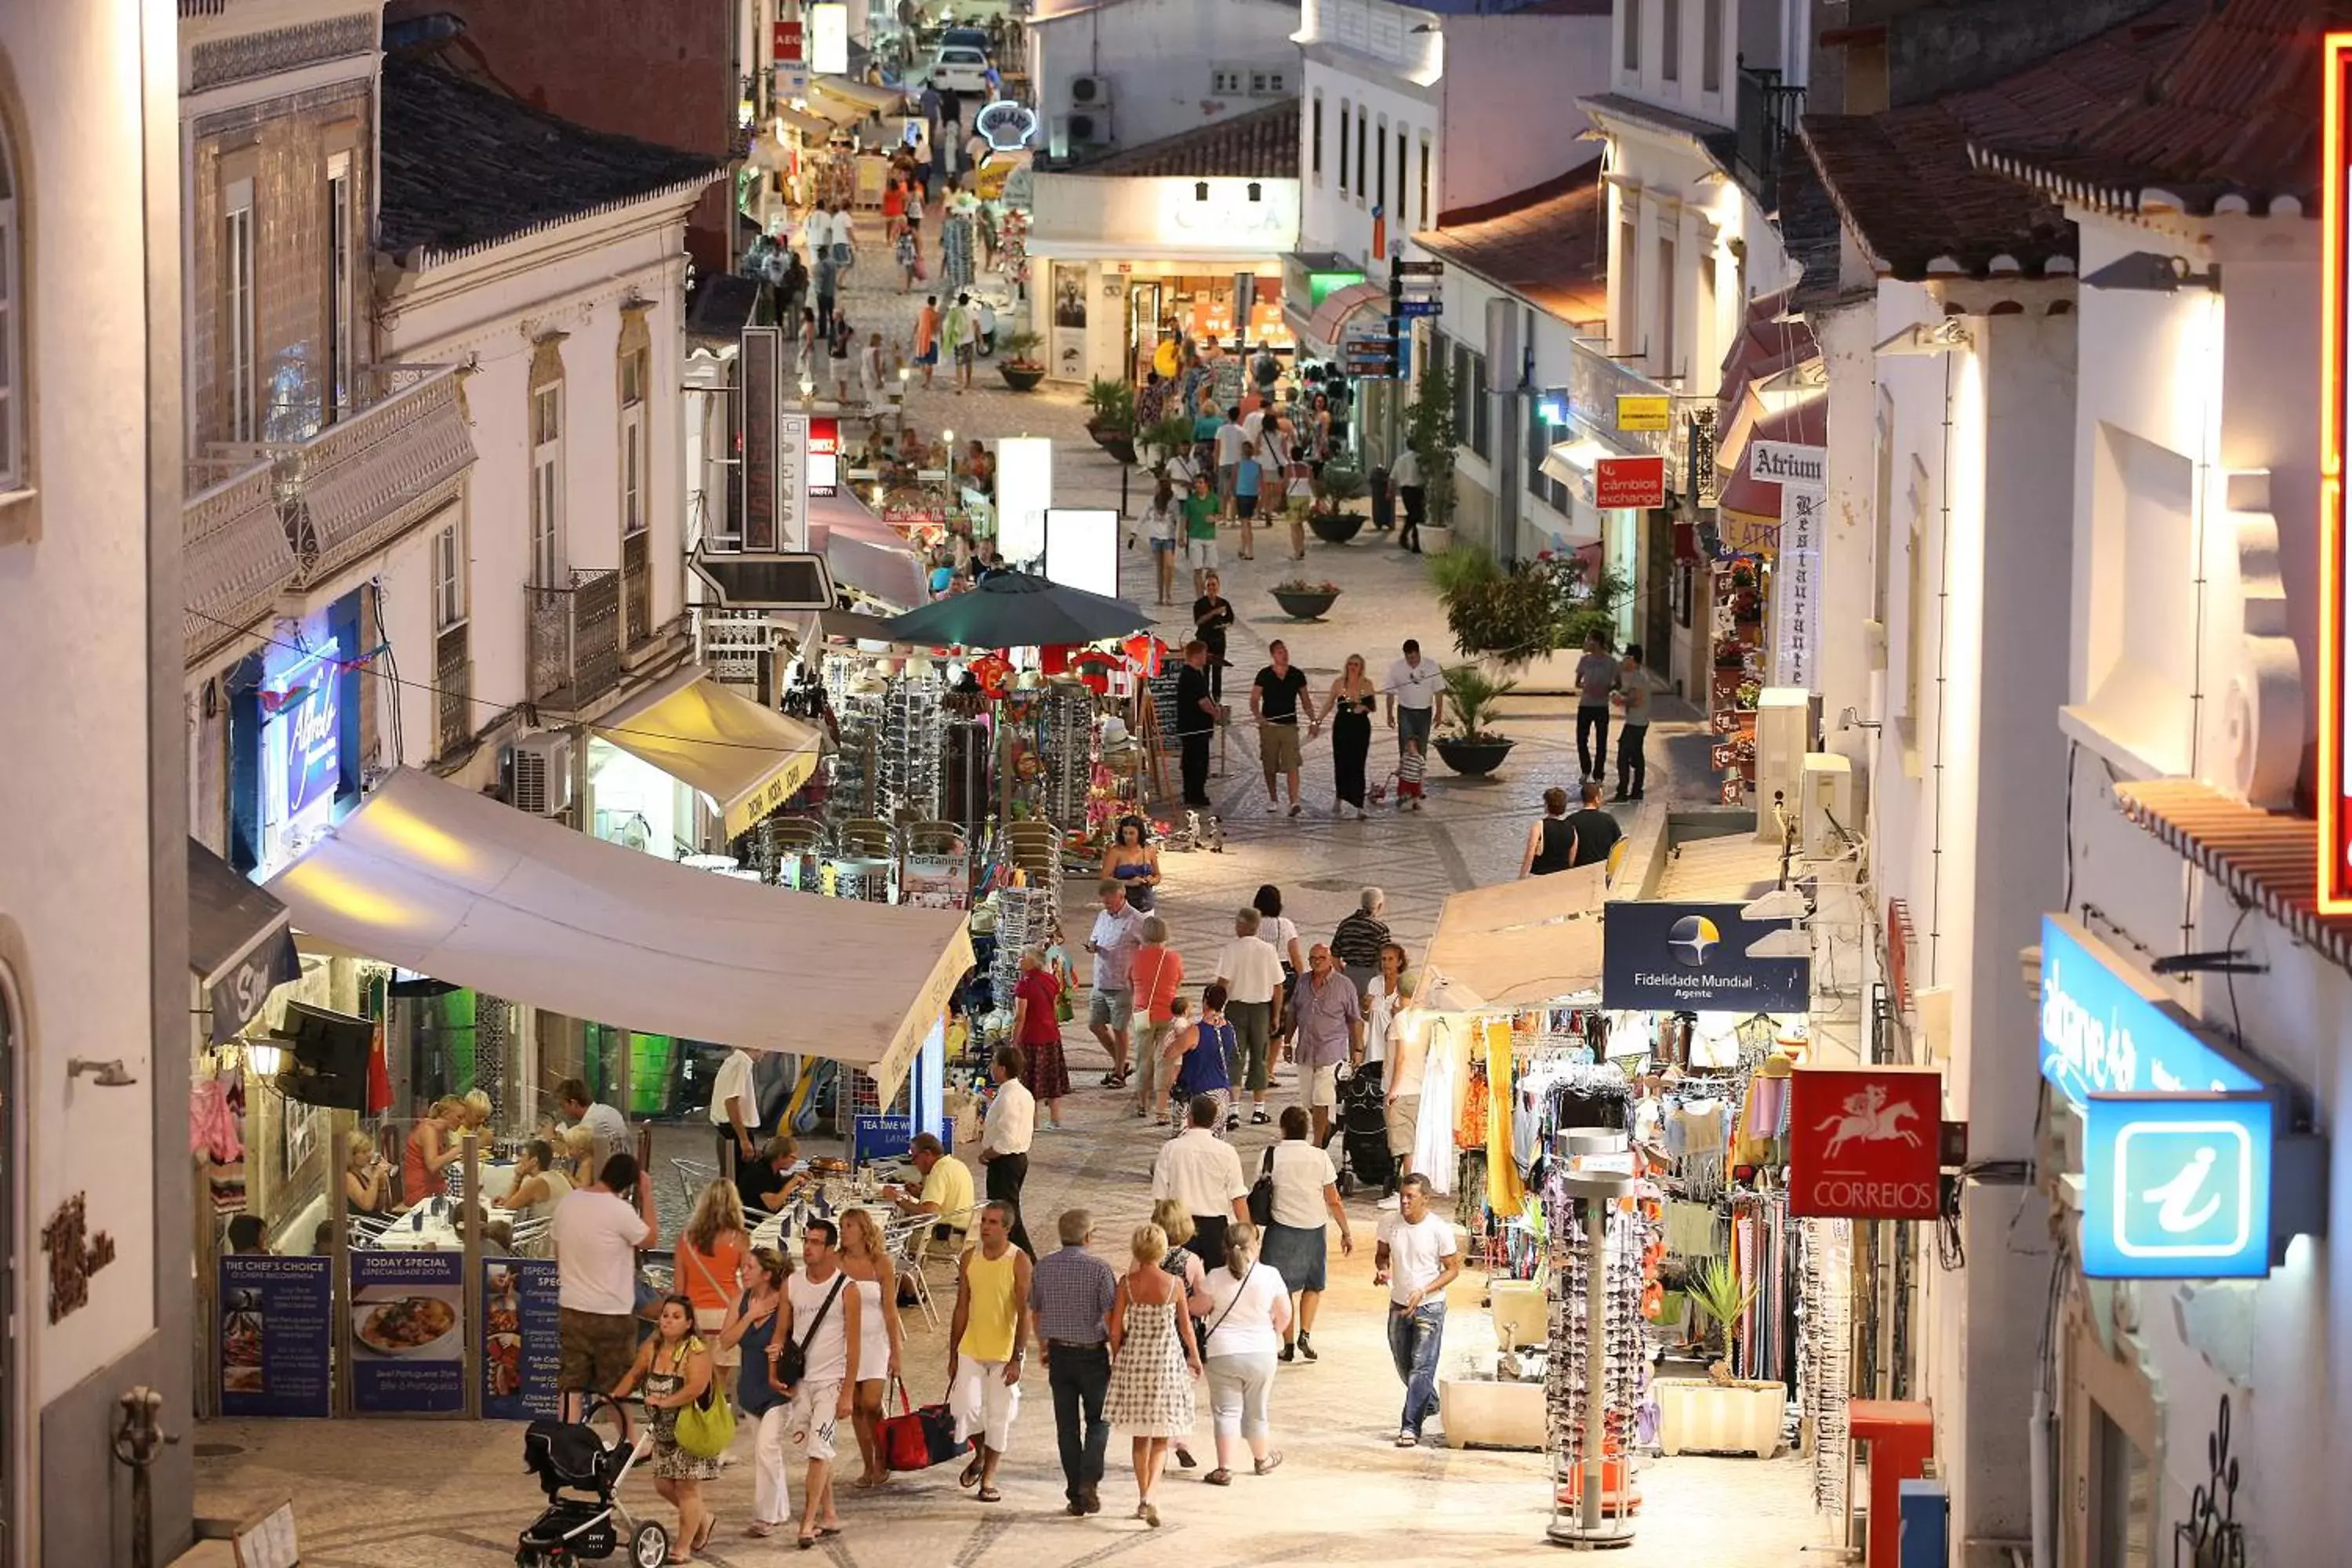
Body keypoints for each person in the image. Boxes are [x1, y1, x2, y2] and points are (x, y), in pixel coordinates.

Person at [1103, 1222, 1202, 1528]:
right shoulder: (1173, 1284)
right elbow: (1186, 1328)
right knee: (1161, 1437)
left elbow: (1116, 1326)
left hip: (1136, 1360)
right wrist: (1195, 1356)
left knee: (1139, 1436)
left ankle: (1142, 1494)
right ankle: (1150, 1496)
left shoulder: (1127, 1284)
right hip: (1166, 1362)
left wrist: (1118, 1354)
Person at [771, 1218, 860, 1549]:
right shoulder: (792, 1284)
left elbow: (854, 1347)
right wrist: (773, 1372)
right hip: (801, 1381)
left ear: (830, 1248)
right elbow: (781, 1333)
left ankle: (807, 1523)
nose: (807, 1247)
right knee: (817, 1450)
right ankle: (829, 1512)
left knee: (818, 1451)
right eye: (806, 1240)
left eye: (815, 1242)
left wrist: (848, 1392)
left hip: (831, 1382)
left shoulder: (847, 1290)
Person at [613, 1296, 719, 1556]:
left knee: (686, 1488)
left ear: (688, 1323)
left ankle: (682, 1548)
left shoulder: (696, 1351)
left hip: (691, 1429)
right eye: (665, 1315)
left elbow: (696, 1388)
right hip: (663, 1430)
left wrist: (665, 1401)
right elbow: (635, 1374)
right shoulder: (652, 1348)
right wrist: (614, 1397)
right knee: (662, 1484)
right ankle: (703, 1519)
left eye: (676, 1316)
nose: (668, 1321)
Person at [1031, 1209, 1118, 1517]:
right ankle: (1089, 1481)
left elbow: (1037, 1311)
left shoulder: (1043, 1267)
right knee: (1099, 1420)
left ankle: (1075, 1494)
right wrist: (1117, 1347)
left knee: (1067, 1427)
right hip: (1092, 1354)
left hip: (1059, 1355)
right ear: (1088, 1236)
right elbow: (1110, 1315)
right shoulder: (1100, 1269)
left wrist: (1043, 1346)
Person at [555, 1153, 652, 1422]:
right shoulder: (620, 1210)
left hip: (572, 1308)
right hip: (612, 1312)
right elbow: (651, 1239)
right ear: (628, 1184)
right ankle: (629, 1443)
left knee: (570, 1383)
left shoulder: (569, 1202)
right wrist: (647, 1192)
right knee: (615, 1387)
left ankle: (566, 1440)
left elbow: (557, 1254)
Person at [948, 1203, 1033, 1503]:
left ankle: (990, 1477)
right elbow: (961, 1305)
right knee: (964, 1409)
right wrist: (953, 1352)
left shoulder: (1019, 1261)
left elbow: (1024, 1312)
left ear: (1007, 1228)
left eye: (993, 1222)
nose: (985, 1227)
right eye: (984, 1221)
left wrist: (1017, 1357)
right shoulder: (969, 1257)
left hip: (1003, 1351)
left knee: (998, 1416)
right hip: (971, 1346)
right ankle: (980, 1453)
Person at [1199, 1222, 1293, 1483]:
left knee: (1226, 1411)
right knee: (1256, 1409)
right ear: (1256, 1245)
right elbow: (1285, 1313)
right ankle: (1262, 1460)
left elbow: (1200, 1308)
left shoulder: (1215, 1276)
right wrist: (1271, 1333)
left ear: (1225, 1248)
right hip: (1261, 1352)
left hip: (1222, 1352)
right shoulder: (1270, 1275)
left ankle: (1224, 1468)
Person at [1376, 1174, 1461, 1446]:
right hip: (1399, 1304)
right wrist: (1382, 1270)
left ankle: (1410, 1426)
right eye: (1402, 1195)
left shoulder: (1438, 1230)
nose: (1404, 1201)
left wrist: (1425, 1290)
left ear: (1425, 1198)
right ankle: (1429, 1402)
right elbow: (1382, 1253)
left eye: (1410, 1197)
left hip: (1429, 1307)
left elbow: (1452, 1269)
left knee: (1421, 1369)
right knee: (1403, 1364)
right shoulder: (1389, 1223)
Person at [1261, 1107, 1351, 1363]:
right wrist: (1346, 1232)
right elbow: (1333, 1199)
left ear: (1283, 1128)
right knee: (1313, 1284)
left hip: (1280, 1228)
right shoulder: (1319, 1157)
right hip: (1314, 1228)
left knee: (1282, 1288)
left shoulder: (1271, 1156)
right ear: (1307, 1129)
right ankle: (1306, 1334)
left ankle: (1287, 1344)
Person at [719, 1246, 792, 1537]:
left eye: (750, 1267)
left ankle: (765, 1517)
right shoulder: (741, 1300)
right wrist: (750, 1317)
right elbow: (725, 1342)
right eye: (743, 1267)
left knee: (766, 1449)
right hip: (749, 1390)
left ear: (767, 1273)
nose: (743, 1272)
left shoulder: (786, 1302)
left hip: (778, 1390)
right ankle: (781, 1509)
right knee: (768, 1454)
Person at [835, 1208, 905, 1489]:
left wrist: (896, 1352)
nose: (843, 1231)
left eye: (849, 1226)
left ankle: (883, 1456)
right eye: (841, 1226)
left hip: (876, 1341)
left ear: (863, 1230)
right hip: (846, 1342)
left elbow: (890, 1311)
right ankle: (868, 1463)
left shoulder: (881, 1263)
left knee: (872, 1403)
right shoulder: (836, 1262)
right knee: (856, 1407)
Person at [1150, 1094, 1250, 1265]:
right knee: (1217, 1280)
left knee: (1181, 1280)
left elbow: (1160, 1197)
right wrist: (1249, 1234)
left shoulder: (1171, 1149)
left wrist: (1160, 1231)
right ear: (1213, 1120)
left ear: (1190, 1117)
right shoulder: (1227, 1152)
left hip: (1179, 1224)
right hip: (1215, 1227)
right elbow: (1237, 1197)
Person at [1212, 912, 1283, 1128]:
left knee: (1235, 1057)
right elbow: (1278, 985)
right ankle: (1258, 1110)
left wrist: (1216, 1010)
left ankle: (1233, 1111)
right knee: (1260, 1057)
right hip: (1261, 1009)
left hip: (1235, 1008)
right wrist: (1276, 1015)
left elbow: (1222, 983)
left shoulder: (1231, 949)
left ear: (1242, 925)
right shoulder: (1268, 950)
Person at [1289, 944, 1363, 1148]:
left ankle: (1318, 1144)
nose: (1317, 962)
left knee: (1322, 1099)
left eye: (1321, 958)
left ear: (1330, 959)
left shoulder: (1344, 985)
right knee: (1309, 1102)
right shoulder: (1303, 982)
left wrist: (1358, 1049)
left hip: (1331, 1052)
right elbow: (1293, 1012)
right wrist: (1287, 1042)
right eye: (1313, 958)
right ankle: (1327, 1129)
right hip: (1305, 1050)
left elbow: (1354, 1019)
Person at [677, 1181, 752, 1379]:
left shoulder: (685, 1238)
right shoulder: (740, 1238)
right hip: (726, 1316)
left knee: (693, 1383)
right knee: (717, 1386)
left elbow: (678, 1288)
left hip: (694, 1317)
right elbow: (748, 1282)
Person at [1084, 879, 1146, 1089]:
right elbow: (1095, 937)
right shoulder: (1103, 916)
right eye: (1105, 904)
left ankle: (1119, 1072)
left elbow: (1150, 949)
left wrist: (1138, 976)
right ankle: (1121, 1063)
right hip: (1100, 980)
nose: (1107, 907)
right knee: (1095, 1025)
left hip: (1122, 985)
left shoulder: (1137, 920)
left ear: (1122, 897)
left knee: (1120, 1029)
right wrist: (1092, 946)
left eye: (1110, 903)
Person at [977, 1045, 1036, 1255]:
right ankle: (1003, 1255)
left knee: (1006, 1215)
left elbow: (1007, 1138)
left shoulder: (1008, 1097)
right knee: (1005, 1212)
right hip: (1015, 1160)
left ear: (1002, 1068)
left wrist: (988, 1153)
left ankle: (1027, 1259)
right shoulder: (1023, 1093)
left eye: (994, 1063)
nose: (991, 1067)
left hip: (1006, 1162)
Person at [1125, 917, 1183, 1120]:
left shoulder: (1136, 957)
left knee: (1143, 1059)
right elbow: (1178, 982)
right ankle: (1161, 1109)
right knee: (1165, 1060)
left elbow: (1129, 981)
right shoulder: (1173, 958)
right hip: (1167, 1013)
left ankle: (1142, 1103)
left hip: (1143, 1014)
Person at [1251, 640, 1316, 817]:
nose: (1284, 654)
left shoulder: (1296, 675)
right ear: (1273, 655)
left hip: (1289, 726)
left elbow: (1306, 700)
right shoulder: (1264, 674)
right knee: (1269, 764)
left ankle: (1294, 801)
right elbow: (1254, 699)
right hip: (1269, 727)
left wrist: (1313, 721)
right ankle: (1273, 799)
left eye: (1285, 651)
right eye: (1280, 652)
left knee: (1292, 763)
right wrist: (1259, 717)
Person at [1009, 946, 1069, 1128]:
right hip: (1051, 1035)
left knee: (1030, 1083)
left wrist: (1014, 1040)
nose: (1019, 960)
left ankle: (1032, 1123)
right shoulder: (1050, 980)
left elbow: (1020, 1017)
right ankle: (1055, 1119)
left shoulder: (1024, 986)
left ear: (1031, 961)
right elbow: (1053, 1008)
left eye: (1022, 957)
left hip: (1031, 1039)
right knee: (1052, 1079)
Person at [1254, 883, 1308, 1081]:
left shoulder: (1253, 924)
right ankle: (1269, 1071)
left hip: (1258, 976)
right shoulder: (1285, 925)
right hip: (1283, 977)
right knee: (1277, 1029)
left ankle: (1257, 1069)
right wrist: (1304, 981)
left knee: (1259, 1023)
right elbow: (1296, 957)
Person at [887, 1133, 975, 1255]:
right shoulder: (956, 1165)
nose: (915, 1163)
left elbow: (928, 1213)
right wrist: (920, 1194)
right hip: (962, 1235)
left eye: (915, 1158)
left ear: (927, 1154)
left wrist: (897, 1199)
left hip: (945, 1239)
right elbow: (943, 1201)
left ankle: (895, 1273)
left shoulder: (939, 1172)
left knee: (888, 1240)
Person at [1172, 985, 1236, 1128]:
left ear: (1205, 1002)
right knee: (1216, 1142)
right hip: (1221, 1092)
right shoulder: (1229, 1028)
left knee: (1187, 1142)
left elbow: (1171, 1053)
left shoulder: (1195, 1031)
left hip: (1197, 1094)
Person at [492, 1138, 573, 1239]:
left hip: (548, 1241)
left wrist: (518, 1177)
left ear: (534, 1161)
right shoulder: (557, 1176)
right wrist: (505, 1201)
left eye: (523, 1156)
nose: (519, 1160)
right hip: (563, 1234)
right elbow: (511, 1202)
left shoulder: (536, 1183)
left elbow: (508, 1208)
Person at [1327, 654, 1377, 818]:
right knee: (1341, 762)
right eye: (1350, 664)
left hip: (1360, 727)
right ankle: (1339, 797)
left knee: (1358, 763)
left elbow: (1373, 707)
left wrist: (1363, 707)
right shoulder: (1339, 683)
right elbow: (1329, 702)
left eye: (1356, 664)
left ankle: (1359, 805)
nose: (1353, 667)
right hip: (1342, 726)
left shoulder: (1367, 684)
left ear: (1361, 667)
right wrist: (1317, 720)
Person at [1174, 640, 1218, 809]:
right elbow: (1202, 701)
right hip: (1195, 728)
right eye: (1205, 653)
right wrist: (1216, 713)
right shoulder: (1191, 676)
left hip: (1194, 727)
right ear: (1197, 655)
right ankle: (1195, 794)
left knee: (1192, 760)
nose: (1206, 657)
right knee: (1197, 762)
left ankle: (1192, 793)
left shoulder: (1193, 674)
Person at [1385, 639, 1445, 758]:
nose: (1411, 661)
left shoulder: (1431, 666)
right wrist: (1389, 714)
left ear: (1419, 653)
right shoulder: (1397, 668)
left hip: (1425, 711)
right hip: (1405, 711)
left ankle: (1419, 775)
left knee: (1421, 747)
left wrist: (1438, 713)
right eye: (1408, 658)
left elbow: (1438, 691)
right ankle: (1405, 775)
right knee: (1406, 747)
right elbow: (1390, 693)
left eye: (1414, 658)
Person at [556, 1078, 630, 1175]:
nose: (562, 1111)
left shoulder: (590, 1125)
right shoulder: (607, 1110)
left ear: (574, 1104)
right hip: (625, 1169)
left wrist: (553, 1139)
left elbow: (572, 1157)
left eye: (563, 1106)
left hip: (610, 1178)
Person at [1573, 633, 1620, 782]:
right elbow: (1577, 682)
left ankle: (1599, 774)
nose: (1586, 642)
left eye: (1589, 639)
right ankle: (1585, 770)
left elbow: (1618, 683)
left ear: (1597, 642)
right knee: (1581, 739)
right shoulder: (1584, 660)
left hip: (1601, 706)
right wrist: (1586, 687)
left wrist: (1606, 689)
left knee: (1601, 741)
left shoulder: (1611, 662)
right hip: (1585, 705)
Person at [403, 1095, 465, 1204]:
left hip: (434, 1186)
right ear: (446, 1114)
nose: (462, 1122)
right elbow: (433, 1165)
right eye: (459, 1117)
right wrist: (459, 1149)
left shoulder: (442, 1132)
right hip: (421, 1191)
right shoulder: (429, 1130)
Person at [1363, 942, 1411, 1075]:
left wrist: (1399, 1016)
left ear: (1400, 962)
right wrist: (1365, 1008)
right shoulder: (1374, 982)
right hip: (1374, 1051)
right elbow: (1367, 1018)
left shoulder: (1405, 986)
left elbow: (1411, 1022)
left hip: (1394, 1050)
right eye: (1383, 959)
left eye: (1391, 959)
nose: (1386, 963)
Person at [710, 1046, 761, 1167]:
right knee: (737, 1180)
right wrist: (744, 1140)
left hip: (729, 1130)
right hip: (734, 1131)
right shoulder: (742, 1062)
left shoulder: (732, 1061)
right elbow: (731, 1101)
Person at [736, 1134, 811, 1217]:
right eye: (792, 1157)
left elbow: (775, 1185)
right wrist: (792, 1182)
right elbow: (774, 1205)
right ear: (780, 1156)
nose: (795, 1161)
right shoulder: (759, 1174)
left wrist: (793, 1177)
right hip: (756, 1222)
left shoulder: (771, 1168)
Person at [1330, 885, 1390, 989]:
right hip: (1372, 977)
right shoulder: (1380, 929)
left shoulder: (1346, 924)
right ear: (1380, 906)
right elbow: (1387, 958)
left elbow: (1334, 955)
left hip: (1349, 975)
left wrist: (1343, 974)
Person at [1134, 478, 1181, 605]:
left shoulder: (1173, 501)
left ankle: (1169, 594)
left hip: (1168, 538)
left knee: (1169, 566)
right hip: (1155, 537)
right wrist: (1134, 531)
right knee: (1160, 568)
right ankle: (1160, 596)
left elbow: (1179, 518)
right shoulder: (1152, 501)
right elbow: (1143, 516)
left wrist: (1182, 534)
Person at [1613, 642, 1651, 801]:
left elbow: (1637, 701)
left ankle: (1623, 792)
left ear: (1633, 659)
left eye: (1626, 657)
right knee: (1636, 756)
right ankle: (1636, 790)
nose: (1624, 660)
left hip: (1636, 723)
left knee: (1624, 757)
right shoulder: (1638, 676)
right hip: (1638, 722)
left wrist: (1620, 701)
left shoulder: (1639, 677)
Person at [1101, 815, 1161, 914]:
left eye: (1132, 833)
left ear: (1139, 833)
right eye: (1125, 833)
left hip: (1146, 904)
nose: (1128, 837)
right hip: (1122, 905)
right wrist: (1128, 882)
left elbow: (1158, 875)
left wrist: (1152, 880)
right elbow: (1105, 877)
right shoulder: (1115, 852)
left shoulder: (1149, 851)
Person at [1192, 573, 1236, 700]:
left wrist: (1225, 625)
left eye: (1214, 585)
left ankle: (1217, 699)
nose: (1212, 587)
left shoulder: (1224, 603)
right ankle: (1205, 698)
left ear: (1218, 586)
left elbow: (1230, 620)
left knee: (1217, 671)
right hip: (1204, 641)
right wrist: (1213, 613)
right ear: (1205, 588)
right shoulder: (1200, 604)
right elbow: (1198, 621)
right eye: (1209, 585)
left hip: (1219, 641)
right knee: (1204, 671)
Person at [1566, 778, 1624, 870]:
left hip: (1579, 868)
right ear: (1596, 798)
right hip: (1603, 867)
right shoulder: (1608, 819)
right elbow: (1618, 844)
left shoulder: (1571, 820)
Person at [1522, 786, 1576, 877]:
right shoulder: (1571, 828)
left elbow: (1530, 854)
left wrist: (1522, 875)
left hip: (1540, 874)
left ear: (1547, 805)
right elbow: (1572, 858)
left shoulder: (1539, 826)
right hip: (1562, 875)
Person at [1182, 474, 1219, 596]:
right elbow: (1185, 518)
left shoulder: (1214, 499)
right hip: (1195, 537)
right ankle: (1200, 598)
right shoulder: (1191, 501)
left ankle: (1211, 593)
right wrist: (1181, 535)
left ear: (1206, 484)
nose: (1197, 485)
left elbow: (1220, 513)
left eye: (1200, 483)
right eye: (1196, 483)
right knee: (1197, 569)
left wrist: (1214, 518)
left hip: (1210, 537)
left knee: (1212, 569)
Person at [343, 1130, 391, 1217]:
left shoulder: (362, 1175)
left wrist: (382, 1183)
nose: (369, 1155)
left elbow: (378, 1207)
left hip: (373, 1221)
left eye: (369, 1151)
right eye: (364, 1152)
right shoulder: (348, 1177)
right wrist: (375, 1176)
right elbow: (367, 1205)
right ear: (351, 1155)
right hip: (362, 1226)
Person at [1213, 405, 1247, 516]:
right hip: (1237, 463)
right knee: (1235, 491)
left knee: (1223, 492)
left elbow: (1217, 449)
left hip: (1223, 462)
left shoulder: (1221, 430)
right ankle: (1233, 516)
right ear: (1238, 416)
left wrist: (1215, 464)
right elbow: (1245, 449)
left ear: (1228, 415)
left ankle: (1223, 515)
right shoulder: (1242, 431)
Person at [1392, 442, 1425, 552]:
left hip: (1405, 491)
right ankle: (1412, 541)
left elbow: (1392, 477)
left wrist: (1389, 491)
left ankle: (1407, 538)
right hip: (1417, 490)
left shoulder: (1400, 459)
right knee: (1418, 516)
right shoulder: (1420, 458)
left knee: (1414, 515)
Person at [946, 292, 977, 392]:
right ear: (967, 301)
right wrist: (980, 339)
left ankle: (959, 384)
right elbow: (977, 325)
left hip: (959, 341)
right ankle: (968, 382)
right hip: (969, 340)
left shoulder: (955, 311)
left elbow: (950, 326)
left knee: (959, 364)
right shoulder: (972, 311)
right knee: (969, 362)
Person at [1234, 439, 1263, 537]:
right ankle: (1242, 547)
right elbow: (1260, 483)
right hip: (1253, 495)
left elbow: (1233, 481)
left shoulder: (1238, 465)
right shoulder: (1258, 466)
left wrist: (1232, 493)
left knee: (1244, 522)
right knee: (1246, 521)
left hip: (1242, 495)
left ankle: (1249, 548)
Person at [1394, 733, 1428, 811]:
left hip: (1415, 780)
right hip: (1404, 778)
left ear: (1416, 748)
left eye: (1409, 746)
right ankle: (1402, 798)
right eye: (1407, 746)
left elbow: (1422, 770)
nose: (1407, 748)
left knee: (1416, 793)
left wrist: (1422, 779)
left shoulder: (1420, 759)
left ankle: (1415, 803)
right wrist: (1397, 772)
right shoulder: (1405, 756)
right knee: (1401, 790)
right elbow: (1401, 765)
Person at [913, 293, 940, 385]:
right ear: (935, 303)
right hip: (932, 340)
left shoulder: (921, 312)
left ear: (928, 302)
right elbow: (937, 329)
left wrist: (915, 335)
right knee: (930, 363)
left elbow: (916, 325)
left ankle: (925, 379)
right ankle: (928, 382)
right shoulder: (935, 315)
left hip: (922, 341)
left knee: (921, 362)